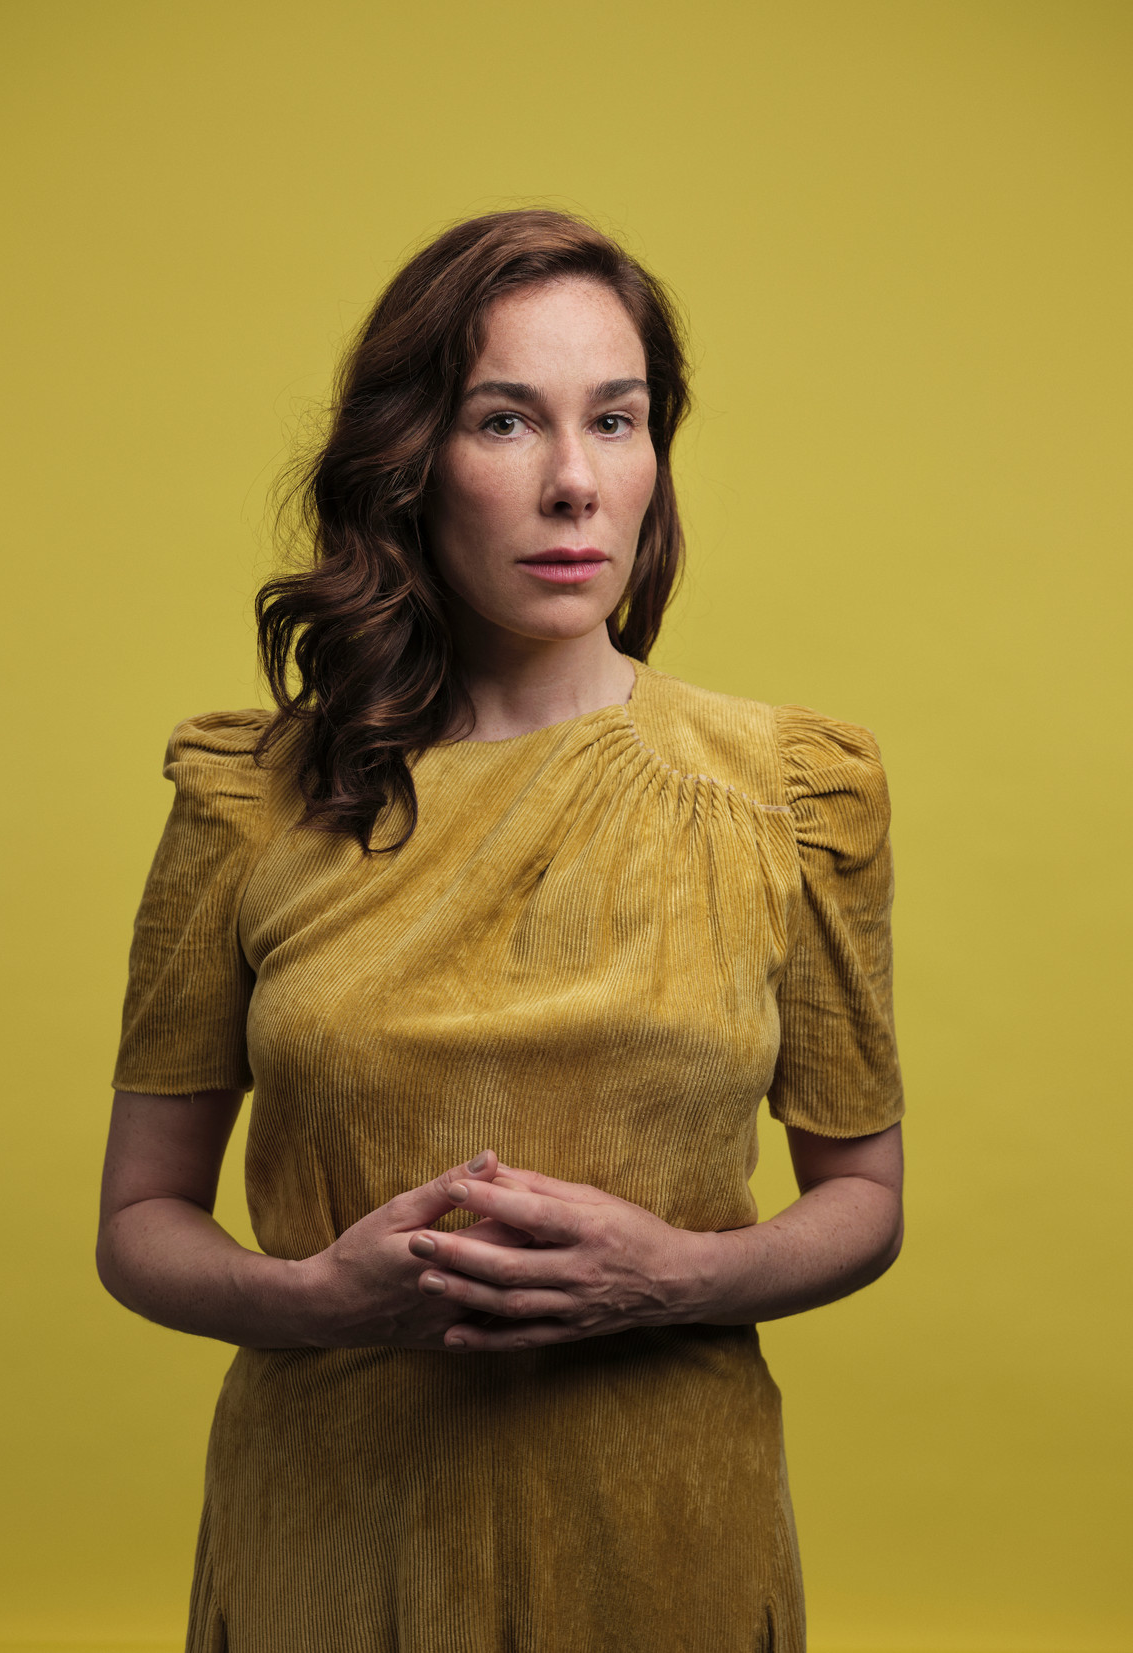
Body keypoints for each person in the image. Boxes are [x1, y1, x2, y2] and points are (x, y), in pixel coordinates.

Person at [97, 208, 904, 1653]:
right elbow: (138, 1222)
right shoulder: (249, 800)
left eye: (616, 419)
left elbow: (866, 1197)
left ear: (656, 458)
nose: (575, 481)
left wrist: (675, 1277)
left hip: (663, 1544)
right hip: (332, 1550)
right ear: (411, 462)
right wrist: (319, 1299)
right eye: (507, 420)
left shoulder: (790, 791)